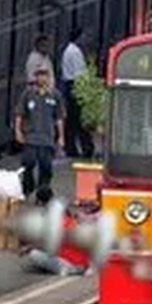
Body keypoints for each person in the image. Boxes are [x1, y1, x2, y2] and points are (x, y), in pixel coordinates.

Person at [14, 66, 64, 199]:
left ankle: (43, 194)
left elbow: (59, 117)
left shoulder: (55, 95)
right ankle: (27, 188)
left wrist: (61, 137)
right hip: (31, 137)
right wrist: (18, 131)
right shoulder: (28, 94)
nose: (42, 78)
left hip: (47, 138)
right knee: (28, 163)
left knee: (46, 167)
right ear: (35, 77)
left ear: (48, 77)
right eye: (39, 75)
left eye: (44, 75)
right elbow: (19, 113)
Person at [61, 27, 94, 159]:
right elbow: (80, 73)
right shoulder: (75, 52)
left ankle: (71, 147)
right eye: (84, 36)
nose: (85, 39)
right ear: (79, 37)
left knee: (72, 119)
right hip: (76, 85)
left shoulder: (69, 50)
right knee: (80, 118)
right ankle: (86, 147)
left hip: (70, 85)